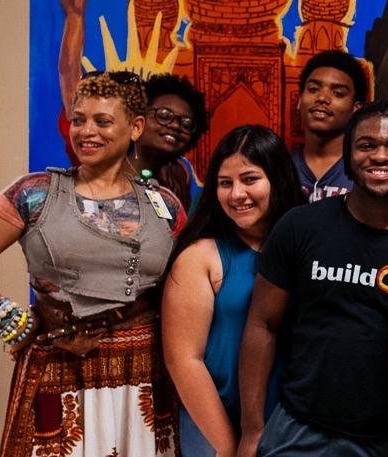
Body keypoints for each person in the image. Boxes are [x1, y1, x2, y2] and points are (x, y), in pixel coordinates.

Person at [0, 71, 186, 455]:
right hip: (59, 367)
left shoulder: (166, 205)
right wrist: (9, 321)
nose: (86, 132)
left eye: (102, 121)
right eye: (78, 120)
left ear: (136, 127)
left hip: (144, 374)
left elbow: (181, 291)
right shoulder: (33, 193)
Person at [236, 99, 388, 456]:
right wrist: (252, 430)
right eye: (366, 145)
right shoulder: (300, 226)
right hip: (299, 430)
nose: (380, 155)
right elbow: (262, 325)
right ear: (347, 156)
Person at [162, 125, 304, 456]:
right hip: (215, 427)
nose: (236, 194)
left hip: (294, 429)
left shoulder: (305, 249)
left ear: (278, 180)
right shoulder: (201, 255)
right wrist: (229, 446)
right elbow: (184, 360)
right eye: (225, 183)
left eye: (250, 179)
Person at [57, 0, 211, 211]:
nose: (175, 126)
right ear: (137, 122)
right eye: (164, 115)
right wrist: (75, 17)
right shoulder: (104, 157)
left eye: (186, 123)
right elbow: (70, 80)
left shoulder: (178, 174)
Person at [291, 50, 370, 202]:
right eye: (313, 89)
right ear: (300, 100)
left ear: (356, 108)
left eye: (338, 93)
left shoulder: (366, 171)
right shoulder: (280, 169)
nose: (322, 98)